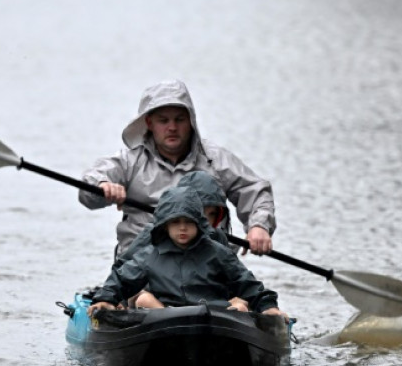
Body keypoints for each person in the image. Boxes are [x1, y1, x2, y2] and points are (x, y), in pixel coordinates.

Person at [79, 79, 275, 258]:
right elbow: (89, 190)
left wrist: (258, 226)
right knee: (139, 291)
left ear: (191, 122)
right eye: (163, 120)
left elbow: (255, 190)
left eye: (179, 119)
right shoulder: (128, 161)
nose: (172, 127)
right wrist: (103, 186)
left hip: (206, 264)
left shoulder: (215, 159)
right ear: (149, 123)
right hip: (142, 264)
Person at [86, 186, 288, 320]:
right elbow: (122, 279)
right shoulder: (150, 255)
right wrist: (106, 299)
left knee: (240, 308)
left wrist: (268, 306)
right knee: (144, 301)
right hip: (166, 316)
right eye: (175, 222)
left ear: (199, 224)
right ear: (165, 226)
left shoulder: (217, 252)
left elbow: (246, 282)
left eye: (188, 222)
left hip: (214, 318)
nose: (182, 229)